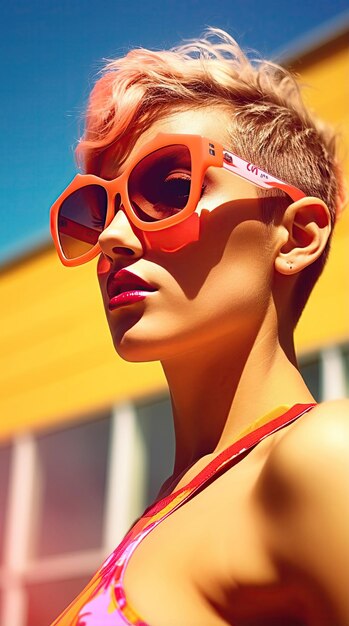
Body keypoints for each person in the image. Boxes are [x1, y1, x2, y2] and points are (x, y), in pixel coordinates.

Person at [49, 28, 348, 626]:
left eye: (168, 187)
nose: (111, 236)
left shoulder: (323, 456)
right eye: (94, 208)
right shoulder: (168, 507)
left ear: (295, 236)